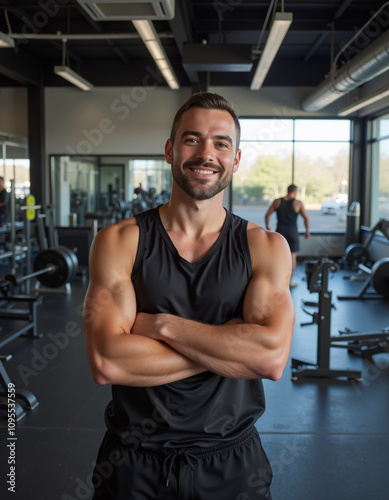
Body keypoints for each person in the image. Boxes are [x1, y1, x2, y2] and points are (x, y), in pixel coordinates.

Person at [83, 92, 295, 500]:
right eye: (192, 139)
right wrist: (230, 347)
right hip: (132, 464)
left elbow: (268, 359)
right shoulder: (120, 241)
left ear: (235, 159)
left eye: (221, 143)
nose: (206, 153)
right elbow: (107, 361)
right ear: (170, 150)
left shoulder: (265, 247)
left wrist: (162, 326)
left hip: (232, 463)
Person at [264, 184, 310, 286]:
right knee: (292, 257)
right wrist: (307, 231)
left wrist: (267, 226)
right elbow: (306, 218)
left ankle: (277, 280)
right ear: (295, 192)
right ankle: (289, 282)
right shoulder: (298, 203)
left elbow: (267, 215)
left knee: (278, 257)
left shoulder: (277, 201)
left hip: (280, 231)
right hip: (292, 232)